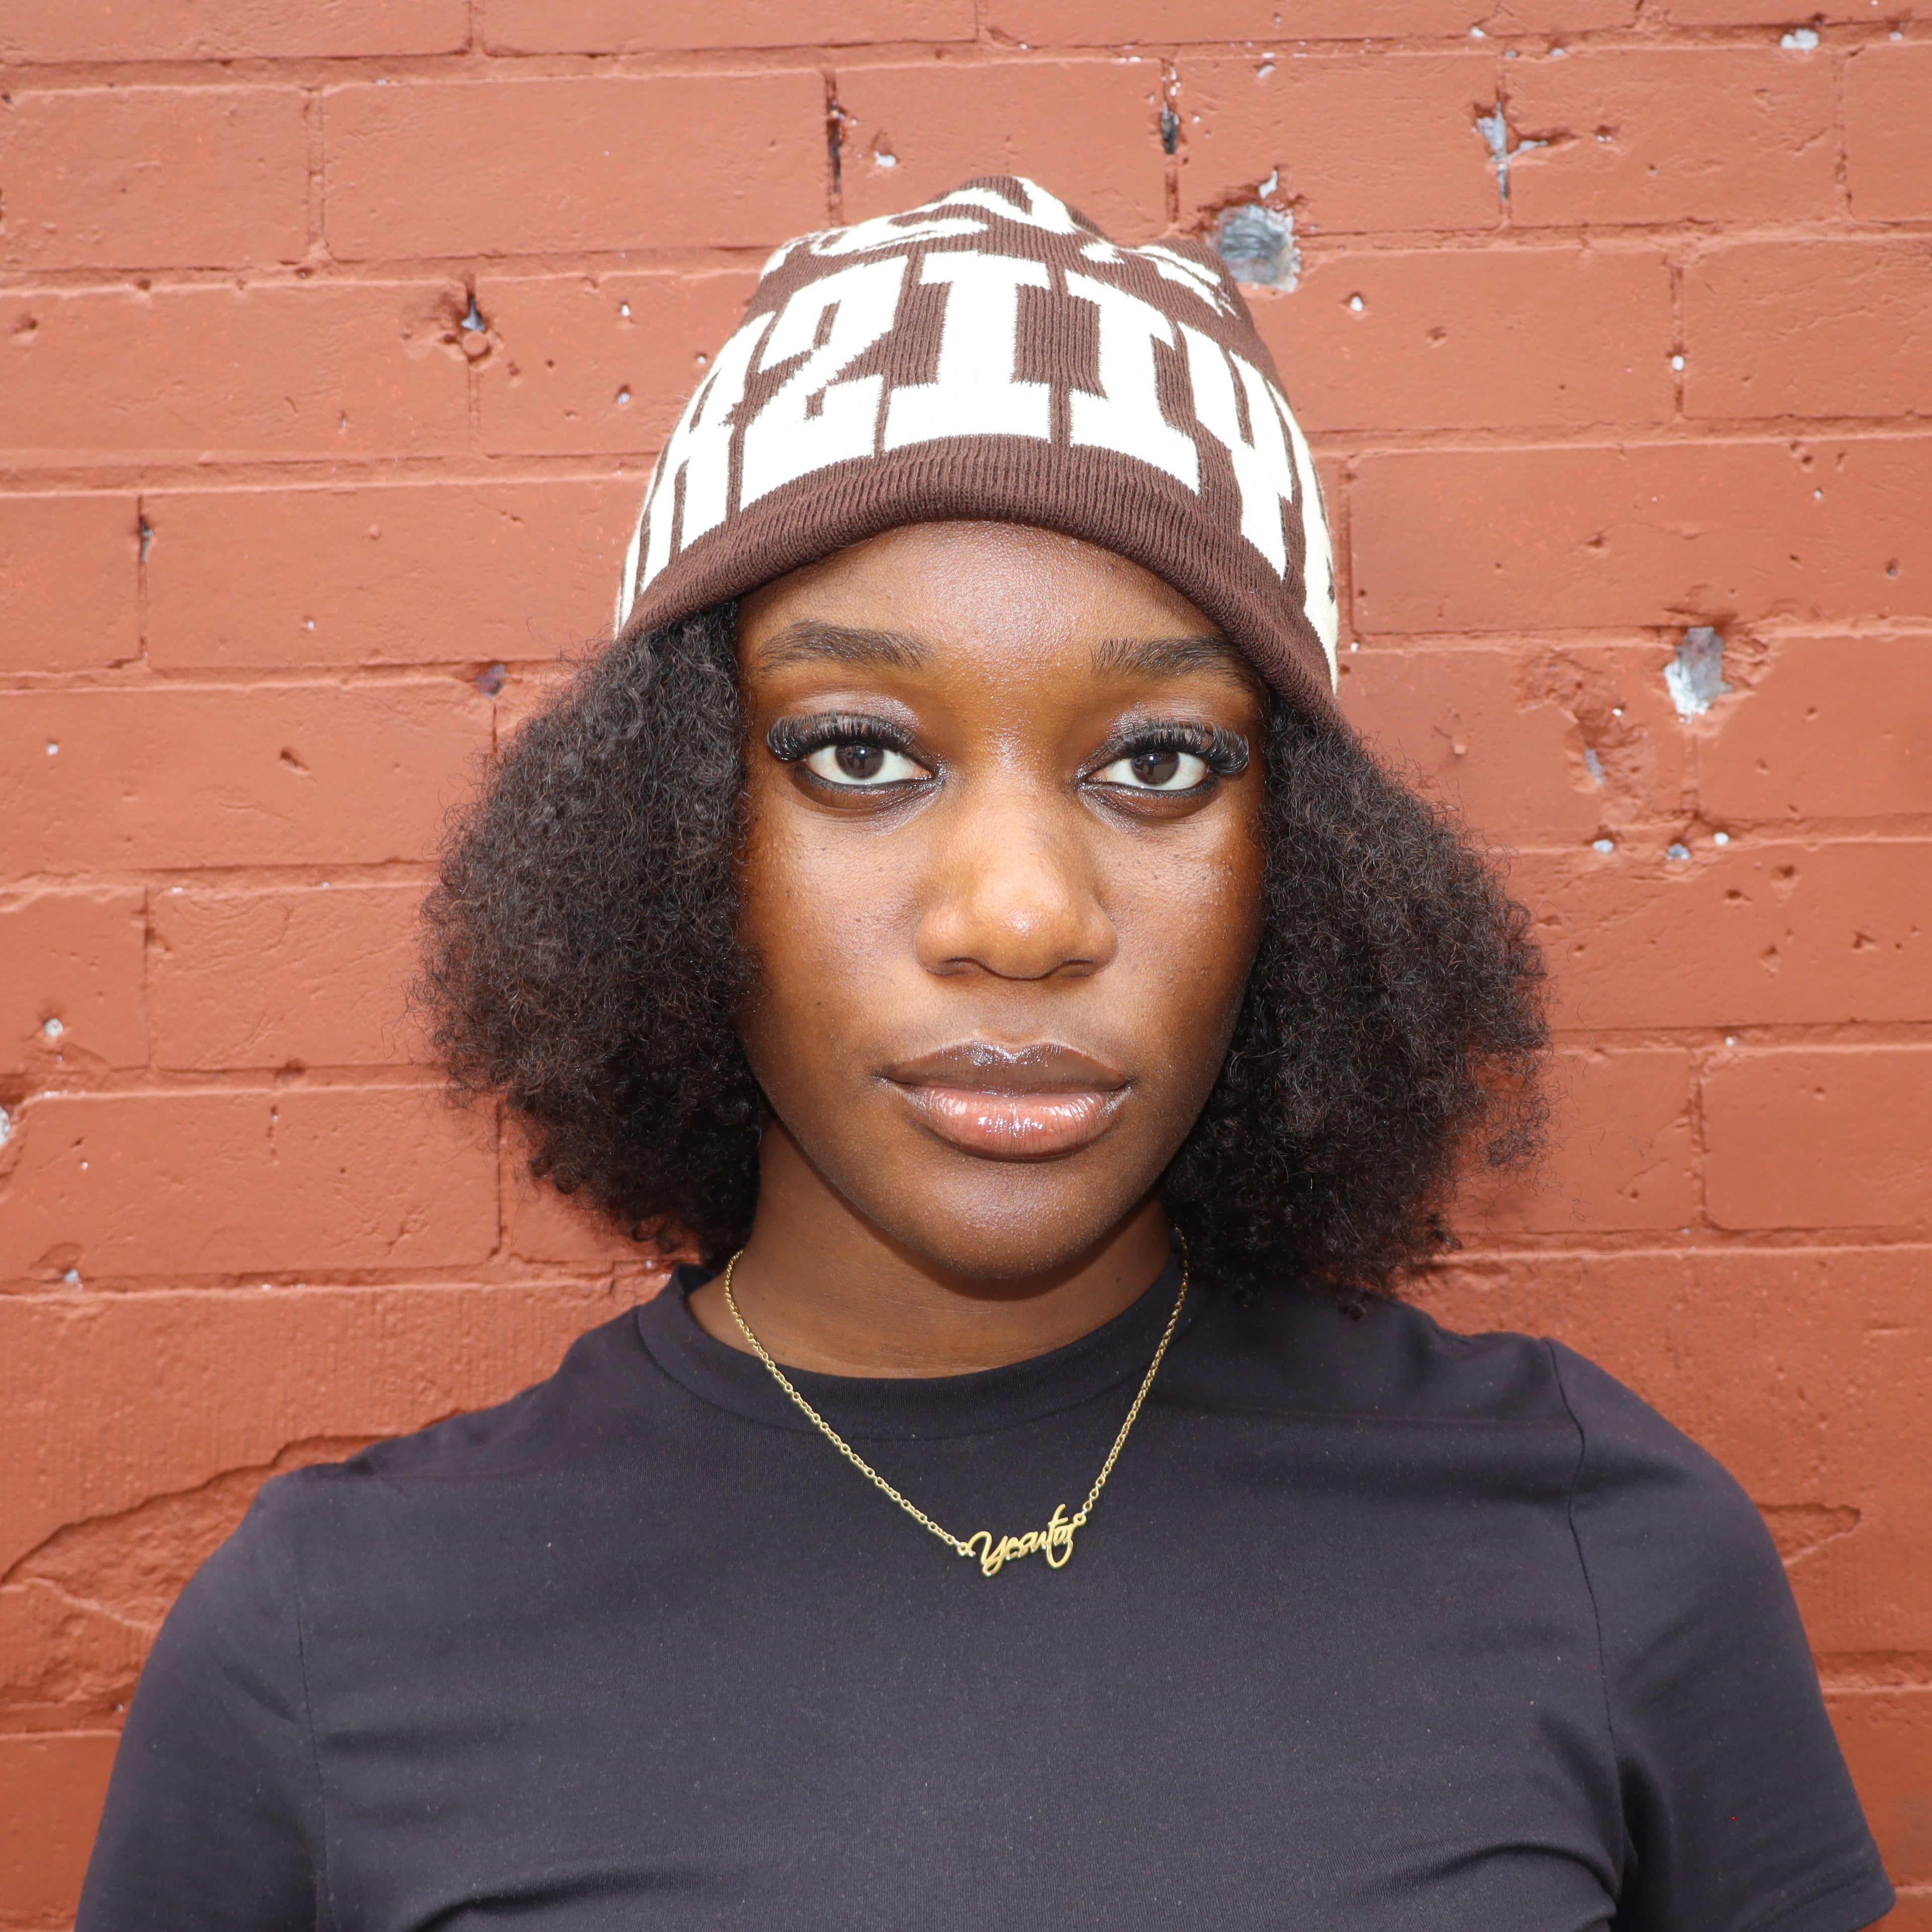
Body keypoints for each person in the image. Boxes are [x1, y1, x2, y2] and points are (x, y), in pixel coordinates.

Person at [78, 177, 1891, 1931]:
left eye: (1161, 761)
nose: (1022, 916)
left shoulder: (1598, 1548)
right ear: (668, 830)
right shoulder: (332, 1646)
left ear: (1306, 869)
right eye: (859, 752)